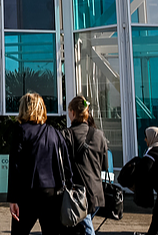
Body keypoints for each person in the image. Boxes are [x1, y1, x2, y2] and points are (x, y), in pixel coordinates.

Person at [7, 92, 72, 235]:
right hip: (52, 192)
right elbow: (66, 165)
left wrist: (12, 198)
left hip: (28, 192)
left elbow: (15, 167)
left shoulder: (20, 131)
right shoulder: (55, 133)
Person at [64, 96, 108, 235]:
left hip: (78, 194)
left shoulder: (67, 135)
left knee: (87, 228)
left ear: (72, 112)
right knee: (82, 226)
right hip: (97, 192)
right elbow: (105, 165)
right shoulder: (99, 135)